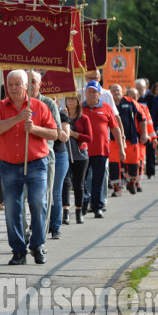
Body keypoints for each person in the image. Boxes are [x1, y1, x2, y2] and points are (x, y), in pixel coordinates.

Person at [0, 70, 57, 265]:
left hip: (36, 164)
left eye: (18, 84)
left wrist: (34, 129)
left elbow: (54, 134)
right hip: (9, 166)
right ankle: (18, 251)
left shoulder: (39, 106)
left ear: (27, 86)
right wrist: (16, 119)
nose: (14, 88)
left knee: (38, 203)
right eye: (10, 85)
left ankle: (37, 245)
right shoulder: (0, 107)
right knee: (12, 209)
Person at [29, 71, 69, 238]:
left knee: (47, 197)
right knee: (28, 199)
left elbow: (57, 133)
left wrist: (35, 129)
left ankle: (44, 236)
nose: (30, 85)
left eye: (33, 81)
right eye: (27, 81)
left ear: (40, 84)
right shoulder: (19, 103)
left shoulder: (48, 104)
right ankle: (29, 232)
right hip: (23, 158)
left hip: (46, 157)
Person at [82, 81, 125, 218]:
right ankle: (83, 204)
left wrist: (121, 148)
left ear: (100, 94)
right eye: (89, 91)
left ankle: (97, 207)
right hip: (82, 151)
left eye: (94, 92)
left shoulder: (106, 108)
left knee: (98, 180)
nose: (91, 94)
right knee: (81, 180)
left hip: (101, 150)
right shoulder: (79, 108)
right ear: (85, 93)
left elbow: (115, 128)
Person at [108, 84, 147, 196]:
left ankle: (131, 183)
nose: (116, 92)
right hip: (113, 139)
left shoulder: (130, 102)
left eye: (118, 90)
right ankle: (117, 188)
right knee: (114, 165)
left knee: (133, 164)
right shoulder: (107, 104)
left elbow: (142, 117)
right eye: (113, 90)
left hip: (131, 139)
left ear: (123, 91)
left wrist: (144, 133)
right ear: (110, 93)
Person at [63, 95, 92, 224]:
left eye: (73, 98)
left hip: (80, 155)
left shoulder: (84, 118)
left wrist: (73, 134)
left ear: (78, 101)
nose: (70, 101)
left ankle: (79, 211)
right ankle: (65, 212)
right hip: (64, 154)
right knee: (66, 183)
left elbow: (89, 138)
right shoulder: (62, 116)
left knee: (78, 184)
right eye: (68, 98)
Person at [136, 79, 156, 178]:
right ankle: (138, 173)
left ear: (146, 88)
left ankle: (150, 171)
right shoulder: (134, 99)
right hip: (138, 129)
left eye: (141, 88)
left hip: (149, 127)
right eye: (137, 88)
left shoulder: (151, 97)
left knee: (150, 150)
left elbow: (155, 112)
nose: (139, 90)